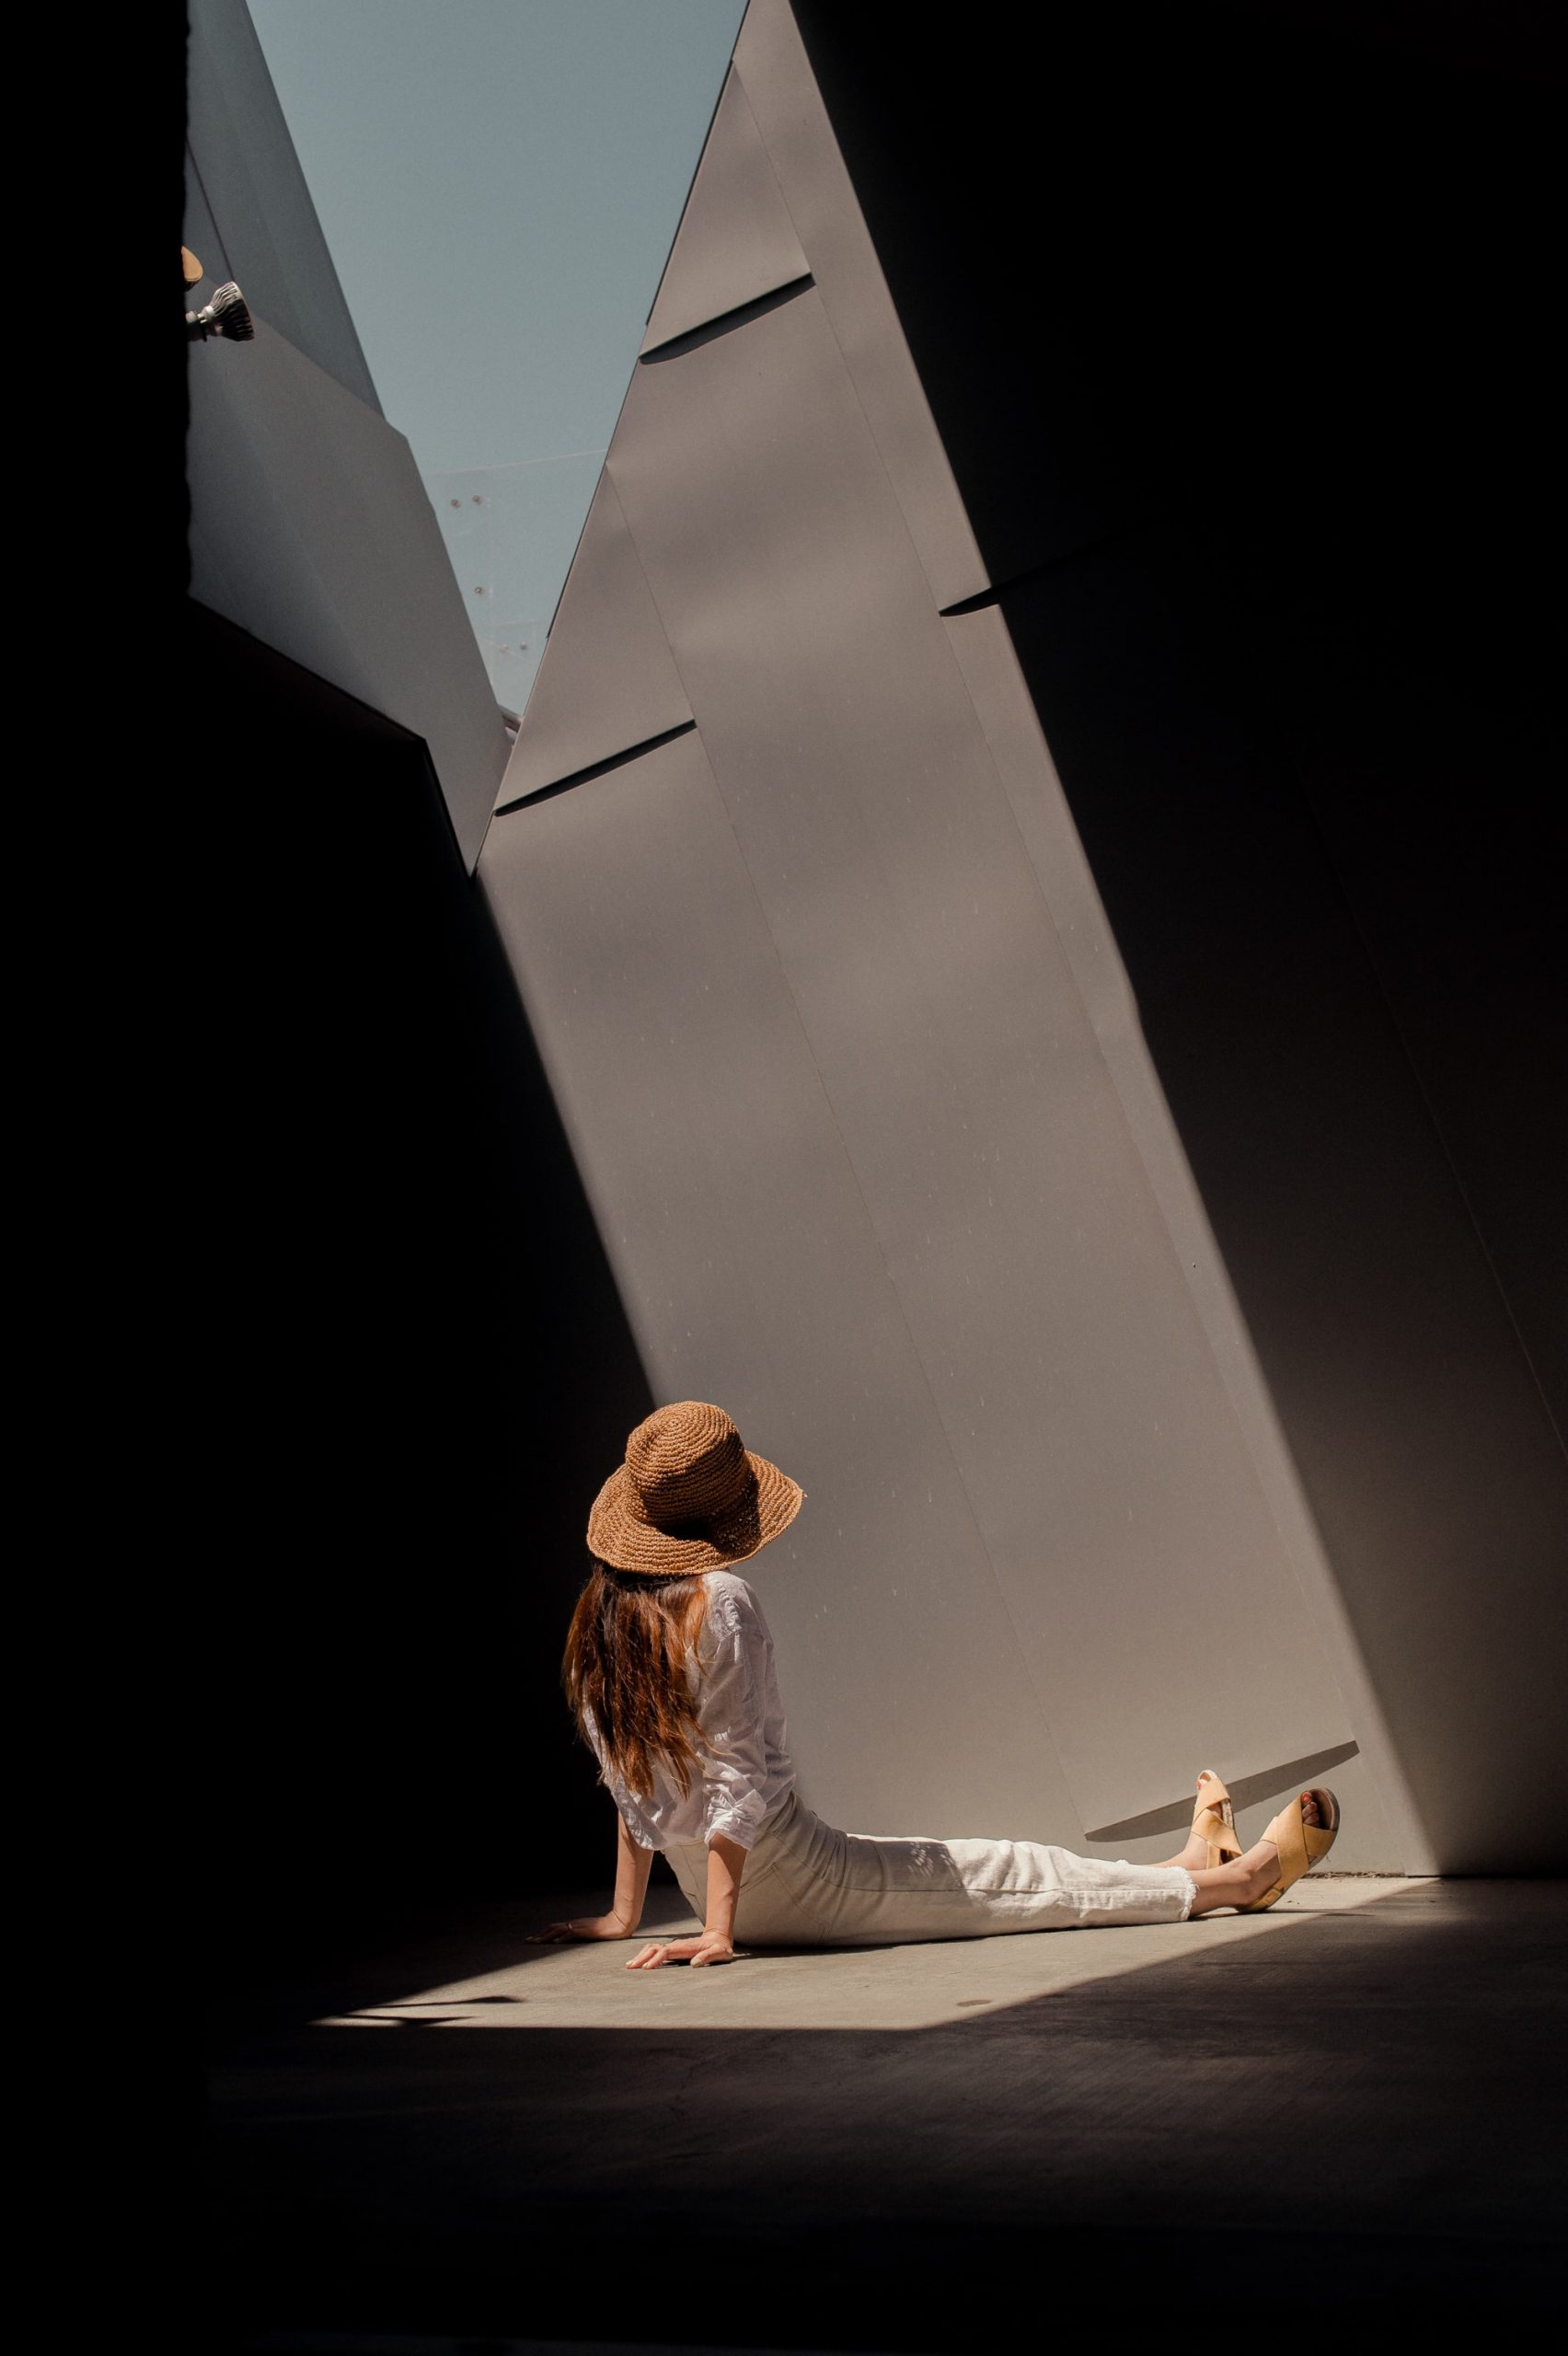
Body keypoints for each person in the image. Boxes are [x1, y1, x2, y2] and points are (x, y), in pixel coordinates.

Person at [529, 1401, 1340, 1969]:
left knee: (1005, 1871)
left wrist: (628, 1915)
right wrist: (724, 1933)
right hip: (786, 1878)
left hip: (732, 1886)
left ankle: (1188, 1866)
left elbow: (630, 1779)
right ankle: (1240, 1881)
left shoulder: (598, 1618)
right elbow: (736, 1778)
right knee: (1011, 1874)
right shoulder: (722, 1601)